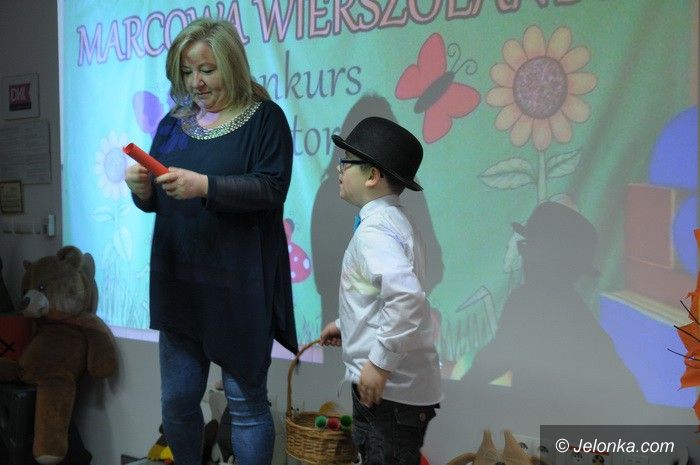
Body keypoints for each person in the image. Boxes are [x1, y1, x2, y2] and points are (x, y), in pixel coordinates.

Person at [125, 18, 297, 465]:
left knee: (246, 406)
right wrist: (141, 190)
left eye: (206, 70)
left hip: (238, 288)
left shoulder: (266, 119)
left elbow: (271, 188)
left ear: (231, 65)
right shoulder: (173, 124)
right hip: (179, 284)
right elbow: (157, 200)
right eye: (187, 72)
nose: (195, 82)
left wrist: (205, 186)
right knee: (177, 403)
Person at [319, 117, 442, 465]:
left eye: (346, 162)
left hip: (390, 395)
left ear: (372, 175)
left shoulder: (376, 232)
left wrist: (379, 364)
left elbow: (406, 298)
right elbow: (378, 295)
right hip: (395, 393)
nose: (339, 169)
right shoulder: (394, 222)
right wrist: (345, 324)